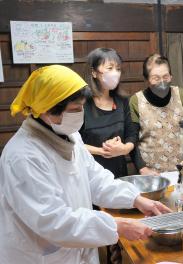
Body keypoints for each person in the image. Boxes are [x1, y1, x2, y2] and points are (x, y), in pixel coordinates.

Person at [0, 65, 171, 263]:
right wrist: (116, 225)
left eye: (82, 106)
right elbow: (53, 220)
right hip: (40, 255)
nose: (80, 113)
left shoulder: (69, 136)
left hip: (75, 250)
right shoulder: (23, 156)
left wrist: (136, 199)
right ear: (46, 111)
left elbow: (96, 179)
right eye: (74, 110)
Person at [129, 54, 183, 174]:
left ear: (171, 76)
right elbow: (131, 139)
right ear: (146, 79)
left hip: (182, 168)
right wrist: (142, 168)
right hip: (150, 173)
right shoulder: (136, 101)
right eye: (156, 78)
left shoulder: (181, 95)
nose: (162, 82)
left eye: (166, 76)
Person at [79, 48, 136, 178]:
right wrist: (103, 151)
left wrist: (124, 149)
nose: (115, 73)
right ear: (94, 72)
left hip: (119, 173)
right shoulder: (81, 104)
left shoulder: (122, 101)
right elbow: (73, 143)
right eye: (110, 68)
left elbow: (132, 134)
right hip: (91, 174)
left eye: (118, 69)